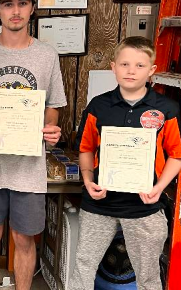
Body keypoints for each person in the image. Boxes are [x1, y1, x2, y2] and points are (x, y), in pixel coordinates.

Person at [0, 0, 67, 290]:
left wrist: (49, 126)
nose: (16, 10)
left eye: (23, 3)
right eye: (8, 4)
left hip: (29, 165)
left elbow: (54, 105)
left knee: (24, 237)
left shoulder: (46, 55)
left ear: (32, 8)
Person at [70, 36, 181, 289]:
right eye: (125, 64)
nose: (131, 71)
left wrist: (159, 188)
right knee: (83, 266)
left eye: (140, 66)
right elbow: (86, 148)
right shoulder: (99, 106)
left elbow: (177, 154)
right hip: (99, 203)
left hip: (145, 207)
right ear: (113, 67)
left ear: (152, 70)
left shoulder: (167, 109)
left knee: (148, 274)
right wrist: (88, 181)